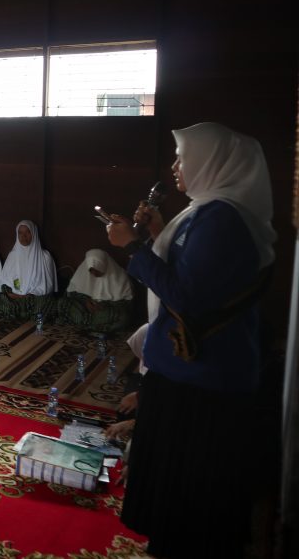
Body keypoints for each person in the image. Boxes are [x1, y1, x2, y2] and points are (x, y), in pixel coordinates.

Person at [106, 122, 275, 559]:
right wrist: (151, 234)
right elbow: (185, 271)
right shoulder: (205, 211)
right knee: (175, 481)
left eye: (184, 158)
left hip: (201, 379)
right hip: (187, 371)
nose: (175, 167)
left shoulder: (224, 220)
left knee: (190, 484)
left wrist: (132, 248)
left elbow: (186, 296)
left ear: (214, 163)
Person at [0, 220, 57, 321]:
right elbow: (3, 283)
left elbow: (48, 286)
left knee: (44, 303)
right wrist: (10, 293)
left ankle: (17, 313)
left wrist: (27, 296)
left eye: (27, 232)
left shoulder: (45, 256)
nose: (23, 236)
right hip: (14, 297)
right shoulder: (12, 255)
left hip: (34, 299)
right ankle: (21, 312)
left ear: (34, 234)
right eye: (20, 233)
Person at [57, 248, 134, 335]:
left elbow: (127, 305)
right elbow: (72, 293)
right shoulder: (83, 271)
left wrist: (103, 305)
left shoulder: (120, 277)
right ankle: (95, 327)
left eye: (98, 270)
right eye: (91, 270)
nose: (94, 274)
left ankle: (86, 325)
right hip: (84, 310)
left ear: (105, 265)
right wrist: (86, 301)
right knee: (62, 302)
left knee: (124, 317)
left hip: (104, 313)